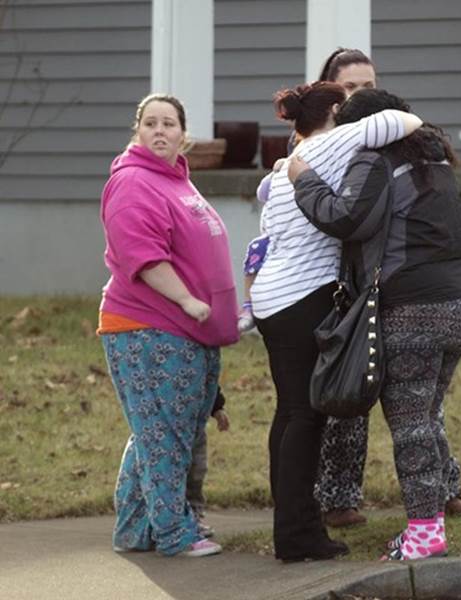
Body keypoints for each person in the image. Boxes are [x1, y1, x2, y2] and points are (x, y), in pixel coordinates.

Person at [289, 89, 461, 561]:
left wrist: (305, 180)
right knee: (427, 419)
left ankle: (423, 532)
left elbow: (345, 217)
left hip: (412, 308)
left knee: (411, 425)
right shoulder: (434, 160)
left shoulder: (374, 160)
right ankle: (429, 523)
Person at [252, 81, 422, 562]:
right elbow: (405, 121)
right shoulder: (336, 140)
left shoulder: (291, 161)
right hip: (305, 297)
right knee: (307, 415)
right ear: (332, 111)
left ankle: (291, 525)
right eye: (344, 104)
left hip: (272, 299)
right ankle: (298, 535)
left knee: (289, 413)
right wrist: (359, 123)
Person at [98, 93, 240, 558]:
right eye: (151, 124)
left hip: (185, 328)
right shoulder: (134, 182)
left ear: (184, 135)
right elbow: (141, 254)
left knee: (159, 430)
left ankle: (134, 531)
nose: (160, 131)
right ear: (137, 132)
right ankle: (173, 534)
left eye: (169, 124)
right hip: (146, 325)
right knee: (164, 433)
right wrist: (185, 299)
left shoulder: (176, 180)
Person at [185, 388, 230, 538]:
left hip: (194, 419)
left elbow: (208, 373)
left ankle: (193, 516)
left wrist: (216, 407)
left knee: (195, 471)